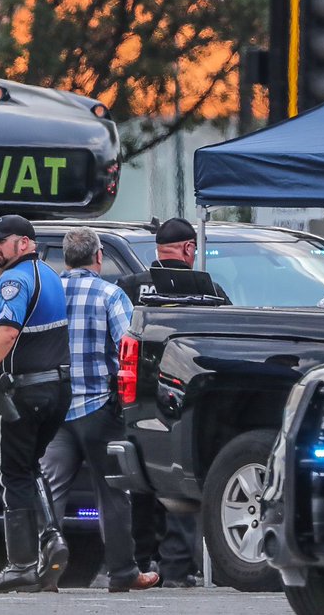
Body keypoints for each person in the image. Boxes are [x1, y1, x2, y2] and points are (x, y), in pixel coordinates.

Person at [39, 227, 160, 592]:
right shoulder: (110, 294)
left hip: (54, 409)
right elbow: (128, 347)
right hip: (98, 409)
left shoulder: (46, 295)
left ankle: (45, 571)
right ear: (98, 257)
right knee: (112, 493)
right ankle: (123, 573)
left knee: (50, 490)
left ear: (65, 258)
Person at [0, 215, 72, 594]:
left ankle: (22, 564)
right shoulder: (49, 275)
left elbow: (7, 333)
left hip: (21, 393)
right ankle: (51, 540)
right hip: (57, 390)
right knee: (29, 466)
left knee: (12, 474)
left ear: (24, 243)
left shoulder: (12, 282)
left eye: (1, 242)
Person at [117, 217, 205, 588]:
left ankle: (139, 562)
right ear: (188, 249)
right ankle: (177, 568)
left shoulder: (129, 287)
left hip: (133, 399)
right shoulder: (207, 291)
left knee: (138, 481)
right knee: (179, 481)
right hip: (183, 401)